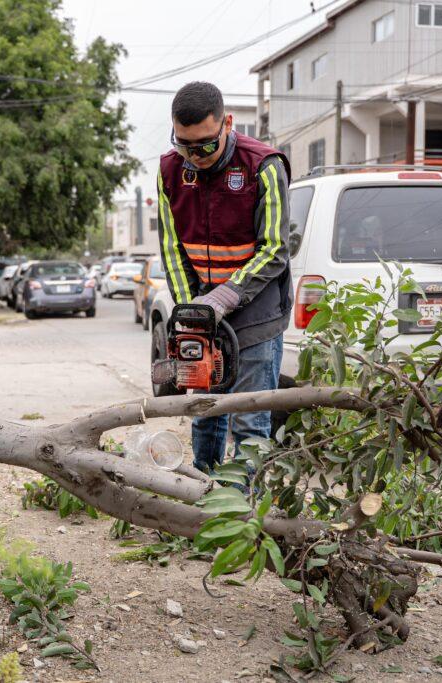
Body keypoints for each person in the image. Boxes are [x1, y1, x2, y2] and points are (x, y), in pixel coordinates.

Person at [156, 81, 291, 473]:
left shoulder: (263, 166)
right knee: (206, 412)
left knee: (249, 420)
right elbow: (173, 250)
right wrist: (190, 310)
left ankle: (241, 504)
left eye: (205, 146)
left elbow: (275, 249)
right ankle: (204, 490)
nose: (194, 156)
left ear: (227, 124)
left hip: (257, 315)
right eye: (184, 146)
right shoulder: (170, 171)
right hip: (202, 311)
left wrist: (225, 297)